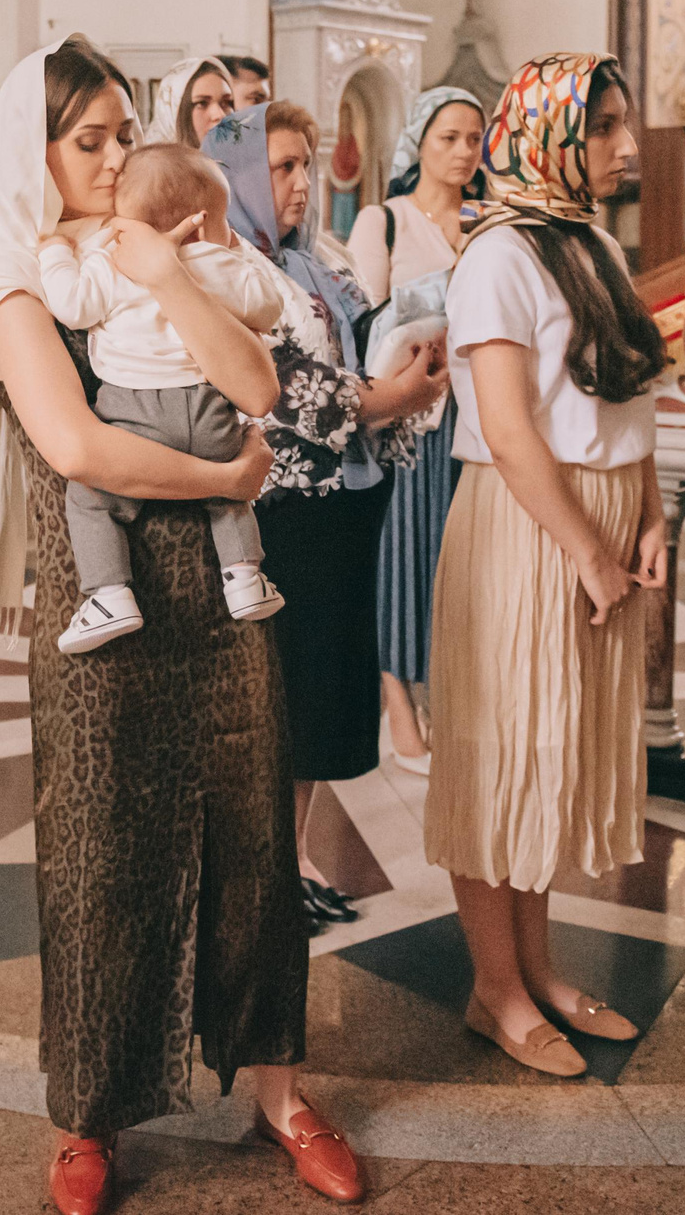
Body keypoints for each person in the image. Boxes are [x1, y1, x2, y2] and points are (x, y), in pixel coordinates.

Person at [0, 37, 361, 1214]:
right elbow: (77, 445)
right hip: (101, 600)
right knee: (99, 846)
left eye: (123, 132)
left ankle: (278, 1088)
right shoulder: (10, 275)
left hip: (227, 595)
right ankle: (90, 1115)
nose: (118, 155)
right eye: (90, 141)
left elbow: (260, 389)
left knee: (253, 840)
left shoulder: (172, 242)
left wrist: (176, 277)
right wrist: (232, 485)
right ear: (33, 157)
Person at [423, 53, 668, 1079]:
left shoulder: (594, 246)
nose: (623, 145)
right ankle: (494, 988)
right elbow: (509, 430)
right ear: (550, 132)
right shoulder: (496, 256)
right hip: (530, 526)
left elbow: (630, 401)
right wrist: (585, 548)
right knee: (501, 753)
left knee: (552, 753)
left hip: (601, 516)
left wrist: (650, 517)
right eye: (602, 125)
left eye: (621, 123)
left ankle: (535, 966)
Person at [203, 101, 442, 933]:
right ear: (235, 177)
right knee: (281, 694)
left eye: (307, 163)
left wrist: (409, 357)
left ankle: (294, 857)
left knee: (320, 698)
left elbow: (355, 345)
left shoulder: (321, 264)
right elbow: (279, 383)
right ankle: (261, 872)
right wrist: (388, 396)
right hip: (281, 511)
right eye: (281, 167)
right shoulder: (224, 265)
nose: (302, 182)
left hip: (348, 499)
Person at [38, 142, 288, 647]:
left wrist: (54, 251)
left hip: (137, 415)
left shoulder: (111, 260)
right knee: (229, 493)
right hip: (210, 410)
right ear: (199, 224)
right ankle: (244, 578)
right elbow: (267, 308)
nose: (114, 156)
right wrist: (231, 252)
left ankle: (108, 594)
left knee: (92, 499)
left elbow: (72, 304)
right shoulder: (224, 267)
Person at [348, 87, 489, 774]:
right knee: (401, 557)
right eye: (448, 138)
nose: (463, 151)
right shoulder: (386, 221)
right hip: (411, 408)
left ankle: (448, 697)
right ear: (419, 142)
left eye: (472, 138)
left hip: (480, 410)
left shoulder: (490, 219)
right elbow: (367, 322)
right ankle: (398, 704)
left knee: (457, 559)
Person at [149, 55, 236, 146]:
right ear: (174, 111)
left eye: (226, 102)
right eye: (202, 103)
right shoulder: (154, 159)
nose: (220, 115)